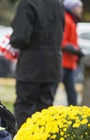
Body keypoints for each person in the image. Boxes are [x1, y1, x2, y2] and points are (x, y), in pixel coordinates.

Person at [9, 0, 65, 128]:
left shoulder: (27, 3)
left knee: (24, 107)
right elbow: (61, 30)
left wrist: (12, 40)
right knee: (45, 110)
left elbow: (20, 37)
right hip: (53, 64)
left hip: (31, 64)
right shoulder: (58, 3)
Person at [59, 0, 84, 106]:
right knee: (50, 92)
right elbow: (61, 42)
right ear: (72, 8)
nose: (81, 10)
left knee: (72, 96)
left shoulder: (72, 21)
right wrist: (75, 50)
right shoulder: (67, 20)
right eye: (79, 7)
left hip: (69, 64)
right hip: (62, 64)